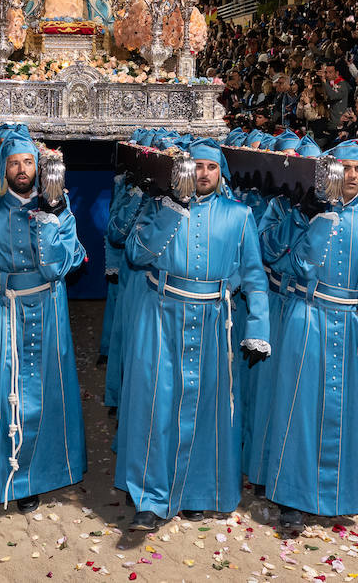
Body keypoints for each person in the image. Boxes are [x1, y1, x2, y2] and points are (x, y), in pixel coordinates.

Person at [116, 138, 271, 530]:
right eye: (197, 166)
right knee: (157, 403)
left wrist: (258, 327)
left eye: (211, 167)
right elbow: (135, 254)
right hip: (160, 316)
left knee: (207, 406)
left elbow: (254, 275)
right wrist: (171, 210)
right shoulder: (159, 206)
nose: (203, 173)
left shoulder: (239, 215)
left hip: (213, 322)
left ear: (221, 173)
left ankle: (198, 492)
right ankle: (150, 498)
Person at [0, 129, 86, 527]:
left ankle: (29, 482)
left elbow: (62, 266)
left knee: (39, 398)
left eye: (28, 162)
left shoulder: (60, 208)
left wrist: (53, 218)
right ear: (3, 169)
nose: (22, 170)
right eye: (14, 163)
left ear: (39, 167)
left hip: (48, 313)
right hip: (1, 314)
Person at [259, 140, 358, 528]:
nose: (351, 176)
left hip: (353, 327)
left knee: (342, 411)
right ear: (328, 172)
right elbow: (281, 259)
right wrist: (308, 220)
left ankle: (334, 495)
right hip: (306, 318)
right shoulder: (306, 213)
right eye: (343, 168)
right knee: (299, 406)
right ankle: (291, 499)